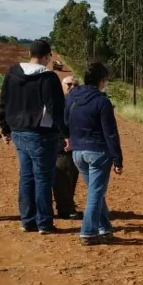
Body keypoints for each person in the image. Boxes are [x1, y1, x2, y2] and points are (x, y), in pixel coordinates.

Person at [0, 39, 68, 234]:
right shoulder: (47, 77)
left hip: (18, 132)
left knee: (26, 177)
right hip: (41, 134)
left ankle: (27, 220)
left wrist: (4, 129)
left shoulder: (12, 73)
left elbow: (3, 101)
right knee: (43, 178)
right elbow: (56, 108)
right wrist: (65, 134)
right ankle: (44, 222)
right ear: (46, 56)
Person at [66, 61, 123, 246]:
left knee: (95, 192)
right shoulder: (102, 101)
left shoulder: (72, 96)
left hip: (77, 153)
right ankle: (88, 232)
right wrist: (118, 159)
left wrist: (69, 139)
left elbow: (65, 121)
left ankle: (104, 229)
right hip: (98, 153)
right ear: (101, 80)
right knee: (96, 193)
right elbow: (111, 133)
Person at [54, 75, 81, 220]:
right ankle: (65, 209)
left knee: (71, 177)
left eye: (75, 85)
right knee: (62, 177)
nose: (72, 87)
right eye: (69, 84)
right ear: (62, 87)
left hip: (75, 146)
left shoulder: (78, 103)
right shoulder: (59, 103)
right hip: (61, 146)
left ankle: (68, 204)